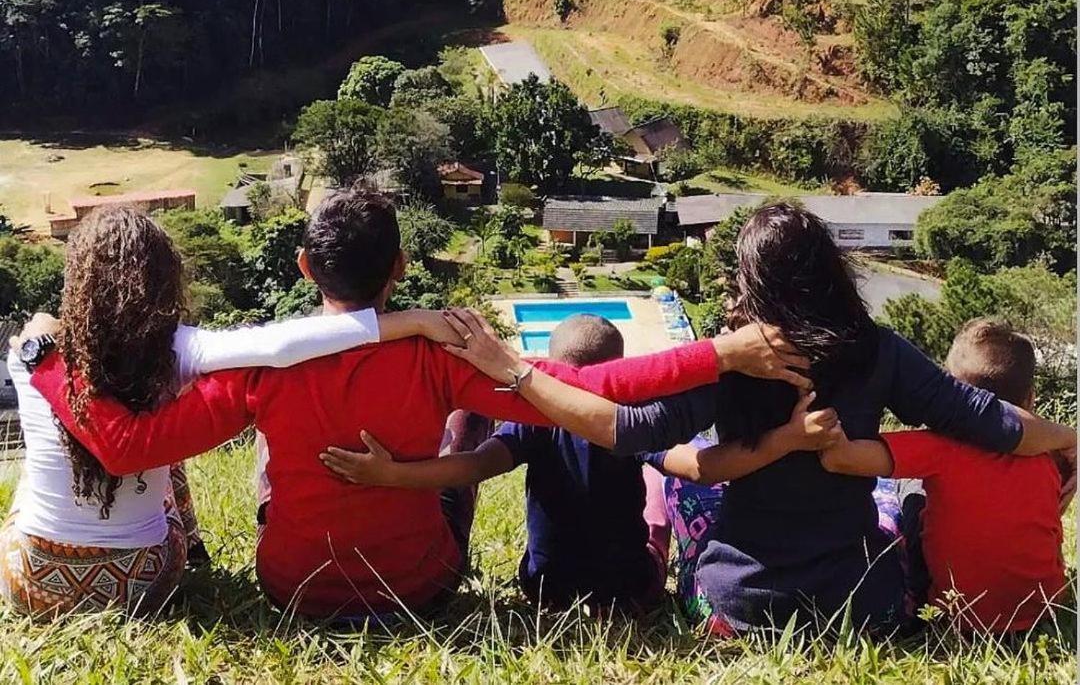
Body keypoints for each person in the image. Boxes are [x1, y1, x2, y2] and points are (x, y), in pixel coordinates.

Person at [28, 186, 810, 622]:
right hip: (418, 585)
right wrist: (722, 351)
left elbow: (134, 446)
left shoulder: (256, 370)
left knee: (282, 448)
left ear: (304, 266)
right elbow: (593, 385)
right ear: (400, 267)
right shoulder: (444, 356)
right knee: (469, 436)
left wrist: (45, 364)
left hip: (295, 588)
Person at [437, 203, 1077, 636]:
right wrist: (1071, 438)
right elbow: (985, 419)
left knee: (686, 494)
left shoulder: (740, 357)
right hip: (859, 602)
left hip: (736, 604)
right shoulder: (877, 349)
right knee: (891, 506)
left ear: (754, 284)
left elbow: (622, 429)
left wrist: (516, 374)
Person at [0, 204, 467, 619]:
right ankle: (194, 545)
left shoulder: (33, 355)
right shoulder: (178, 352)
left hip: (34, 584)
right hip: (144, 581)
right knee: (166, 444)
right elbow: (280, 346)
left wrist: (40, 345)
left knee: (28, 491)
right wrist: (408, 321)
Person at [322, 312, 844, 614]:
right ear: (614, 370)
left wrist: (391, 474)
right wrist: (787, 438)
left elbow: (472, 468)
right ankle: (657, 548)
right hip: (630, 592)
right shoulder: (630, 417)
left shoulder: (533, 419)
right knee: (661, 486)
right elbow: (701, 468)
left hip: (545, 589)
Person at [820, 318, 1071, 633]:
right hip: (1042, 610)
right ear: (1030, 398)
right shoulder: (1051, 453)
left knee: (909, 489)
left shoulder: (938, 447)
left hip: (955, 616)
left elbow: (841, 459)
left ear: (950, 395)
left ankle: (913, 587)